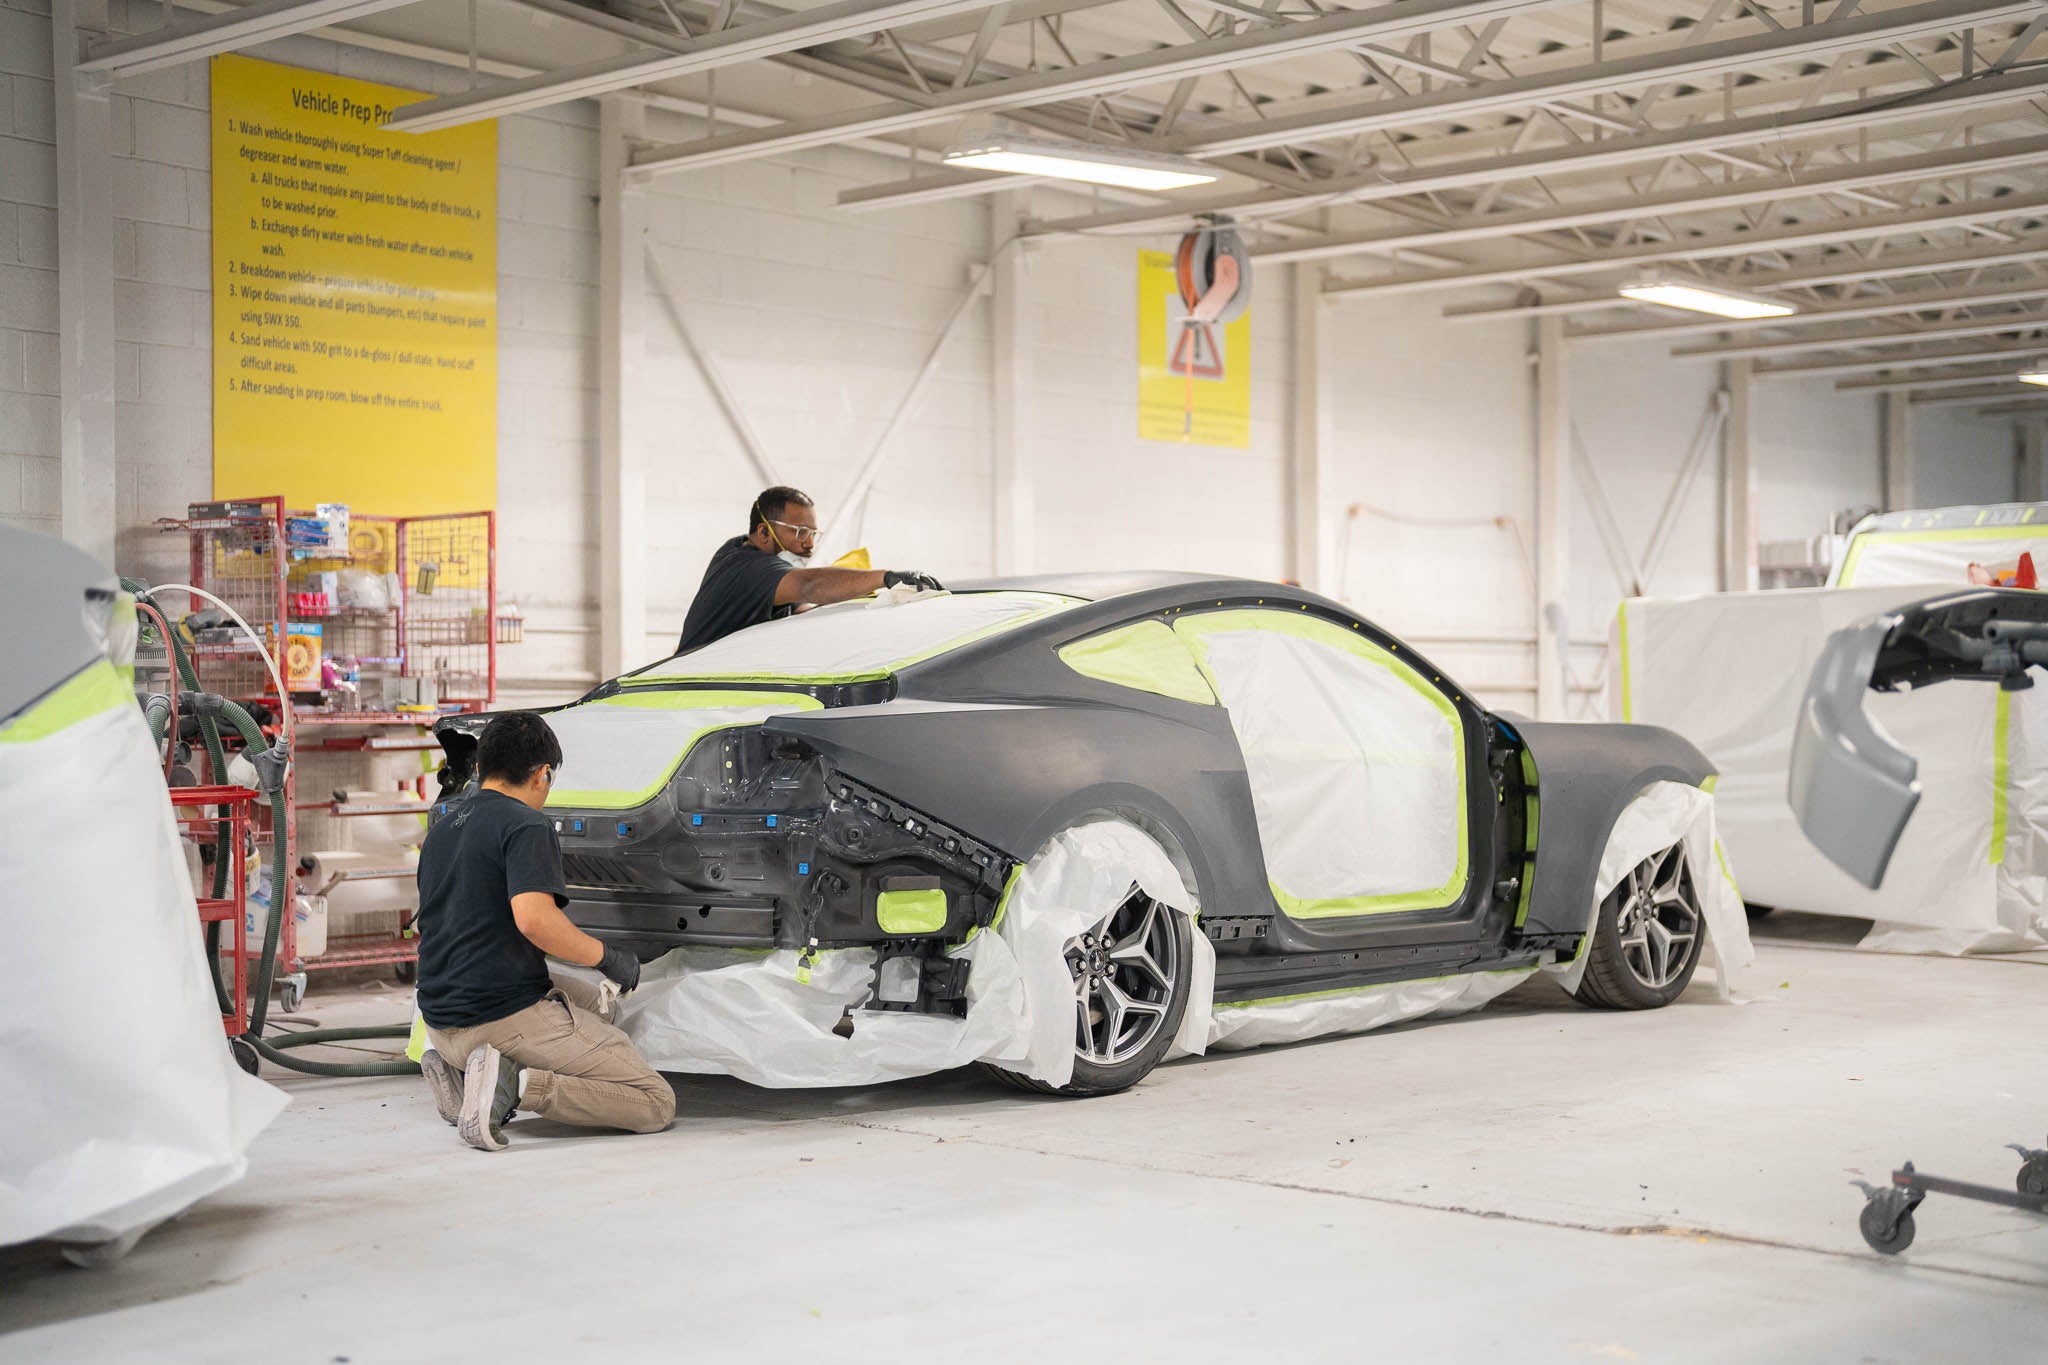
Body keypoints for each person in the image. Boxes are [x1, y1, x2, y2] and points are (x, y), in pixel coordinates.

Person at [413, 711, 675, 1152]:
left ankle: (463, 1078)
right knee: (656, 1102)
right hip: (499, 1016)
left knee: (600, 1007)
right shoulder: (526, 825)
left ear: (479, 768)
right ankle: (514, 1084)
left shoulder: (442, 830)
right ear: (542, 775)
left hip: (440, 1018)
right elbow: (535, 920)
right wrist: (605, 956)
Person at [675, 485, 943, 654]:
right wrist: (884, 578)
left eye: (814, 533)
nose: (809, 544)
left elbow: (800, 608)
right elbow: (809, 585)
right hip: (693, 686)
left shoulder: (735, 549)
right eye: (800, 532)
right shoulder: (750, 569)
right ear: (764, 532)